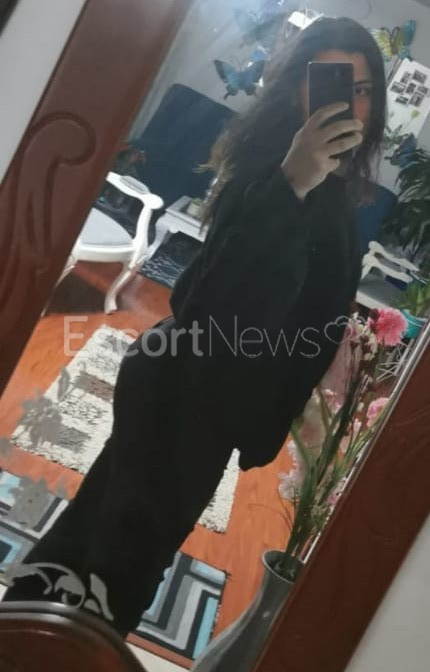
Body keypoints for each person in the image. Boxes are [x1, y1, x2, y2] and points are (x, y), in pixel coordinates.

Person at [4, 17, 386, 636]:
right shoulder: (273, 174)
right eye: (332, 84)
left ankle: (25, 636)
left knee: (98, 537)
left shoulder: (336, 189)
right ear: (297, 88)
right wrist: (291, 184)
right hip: (183, 395)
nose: (350, 104)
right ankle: (52, 647)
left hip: (199, 398)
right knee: (122, 565)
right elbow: (217, 301)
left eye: (363, 89)